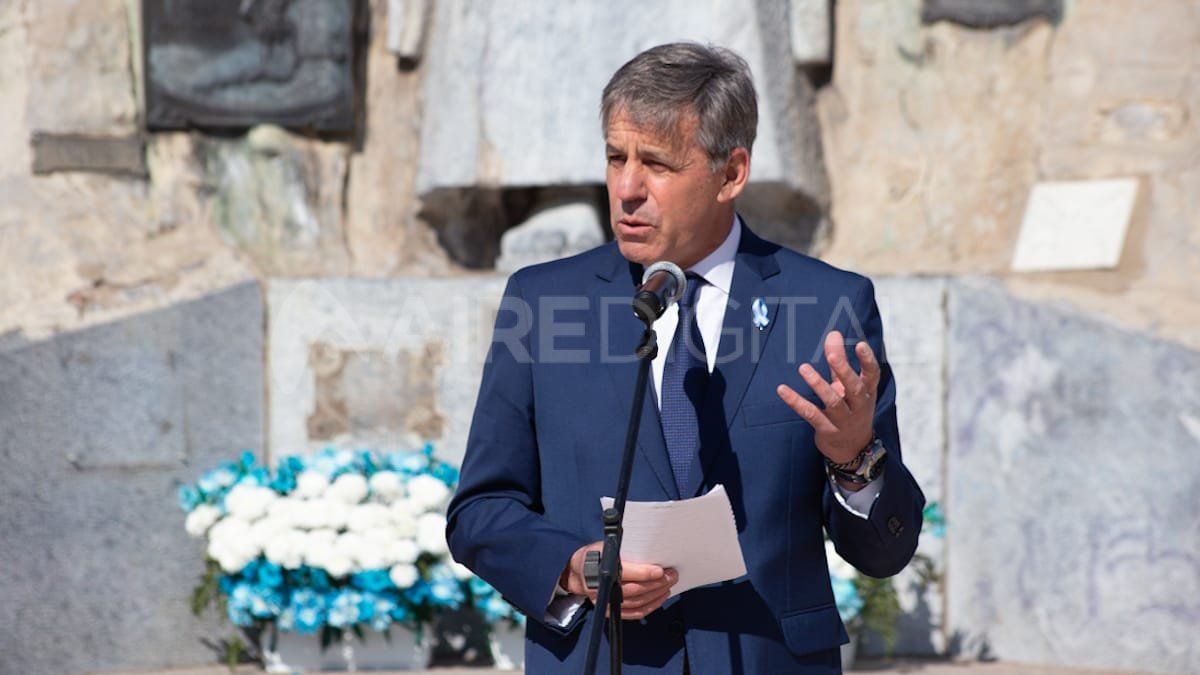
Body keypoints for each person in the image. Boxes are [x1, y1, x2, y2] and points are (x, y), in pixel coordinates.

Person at [446, 42, 925, 674]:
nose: (626, 189)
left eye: (658, 164)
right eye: (616, 158)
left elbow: (886, 551)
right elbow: (481, 511)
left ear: (731, 173)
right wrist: (577, 567)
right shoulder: (541, 302)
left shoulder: (828, 306)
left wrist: (855, 459)